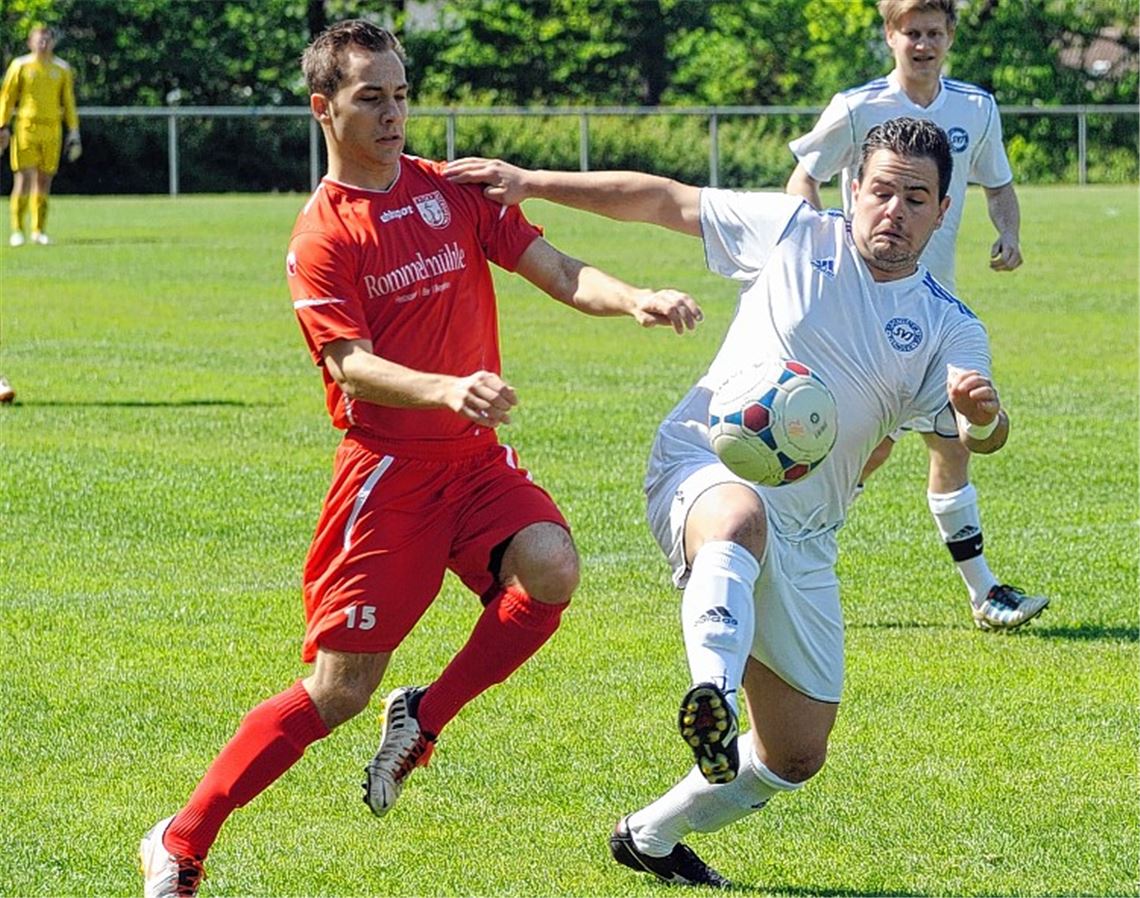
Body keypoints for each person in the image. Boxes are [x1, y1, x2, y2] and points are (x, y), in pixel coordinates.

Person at [137, 19, 702, 897]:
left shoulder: (452, 190)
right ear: (325, 108)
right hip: (388, 475)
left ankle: (425, 719)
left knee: (551, 568)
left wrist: (636, 299)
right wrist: (445, 388)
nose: (395, 112)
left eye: (402, 93)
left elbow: (555, 267)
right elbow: (348, 364)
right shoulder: (322, 235)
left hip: (473, 464)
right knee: (338, 691)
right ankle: (180, 839)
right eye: (373, 96)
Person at [447, 116, 1014, 886]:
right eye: (881, 190)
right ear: (854, 188)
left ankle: (647, 835)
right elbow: (663, 201)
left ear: (943, 211)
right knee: (738, 521)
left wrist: (984, 416)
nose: (895, 210)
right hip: (700, 463)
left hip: (808, 535)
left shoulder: (950, 326)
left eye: (917, 198)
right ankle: (708, 691)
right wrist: (533, 182)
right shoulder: (795, 232)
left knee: (795, 754)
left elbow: (981, 434)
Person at [785, 0, 1047, 632]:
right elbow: (804, 177)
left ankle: (984, 594)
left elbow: (999, 183)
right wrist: (820, 243)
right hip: (863, 312)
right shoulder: (857, 108)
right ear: (890, 36)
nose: (923, 44)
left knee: (954, 440)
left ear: (950, 36)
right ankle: (791, 546)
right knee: (862, 451)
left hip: (935, 315)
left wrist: (1008, 234)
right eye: (911, 33)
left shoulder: (975, 109)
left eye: (934, 33)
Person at [0, 24, 81, 247]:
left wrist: (73, 130)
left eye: (47, 40)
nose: (43, 44)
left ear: (53, 43)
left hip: (52, 128)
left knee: (44, 180)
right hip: (27, 127)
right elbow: (7, 97)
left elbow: (68, 102)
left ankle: (38, 230)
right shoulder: (20, 65)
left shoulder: (61, 68)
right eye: (39, 40)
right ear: (30, 42)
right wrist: (2, 125)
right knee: (23, 178)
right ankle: (17, 230)